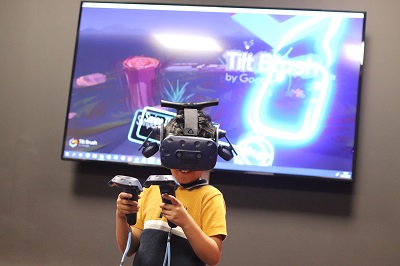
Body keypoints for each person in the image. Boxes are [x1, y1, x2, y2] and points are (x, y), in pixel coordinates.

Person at [115, 109, 227, 266]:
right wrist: (121, 216)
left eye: (195, 156)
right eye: (179, 155)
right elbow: (128, 248)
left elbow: (213, 257)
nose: (185, 166)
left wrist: (185, 222)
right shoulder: (151, 189)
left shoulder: (210, 197)